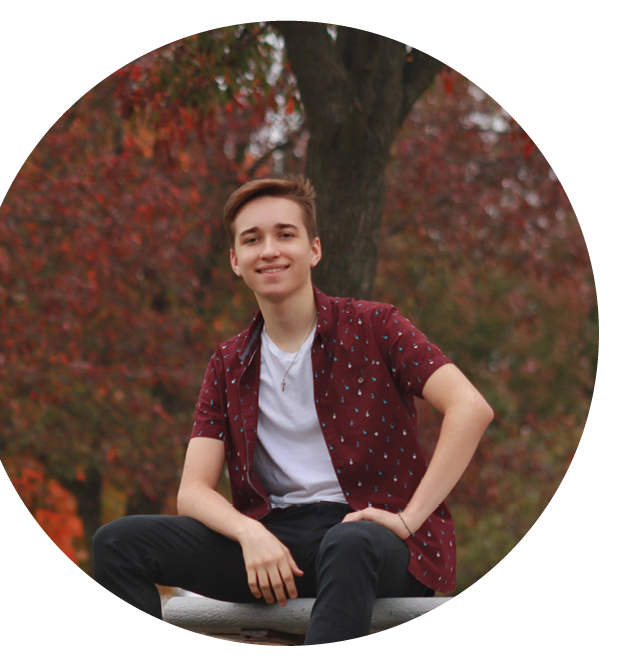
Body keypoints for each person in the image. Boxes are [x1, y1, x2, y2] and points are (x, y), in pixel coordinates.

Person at [93, 175, 494, 645]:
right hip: (276, 545)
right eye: (252, 239)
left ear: (314, 249)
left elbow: (469, 407)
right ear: (235, 261)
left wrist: (409, 518)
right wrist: (249, 534)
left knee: (348, 542)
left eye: (285, 234)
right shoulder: (228, 362)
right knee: (117, 543)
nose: (269, 250)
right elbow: (193, 492)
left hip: (376, 539)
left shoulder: (375, 325)